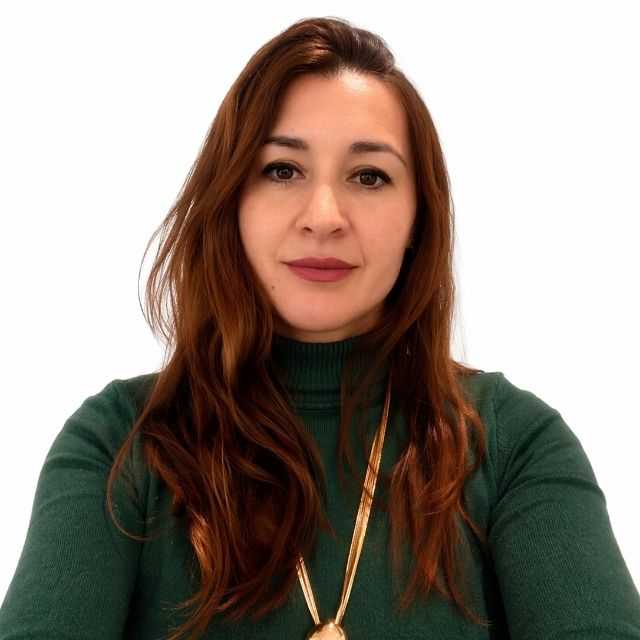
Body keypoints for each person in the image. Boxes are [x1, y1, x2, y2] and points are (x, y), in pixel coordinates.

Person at [1, 15, 639, 640]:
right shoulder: (120, 443)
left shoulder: (512, 443)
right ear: (231, 200)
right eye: (282, 169)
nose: (324, 216)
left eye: (369, 176)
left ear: (419, 218)